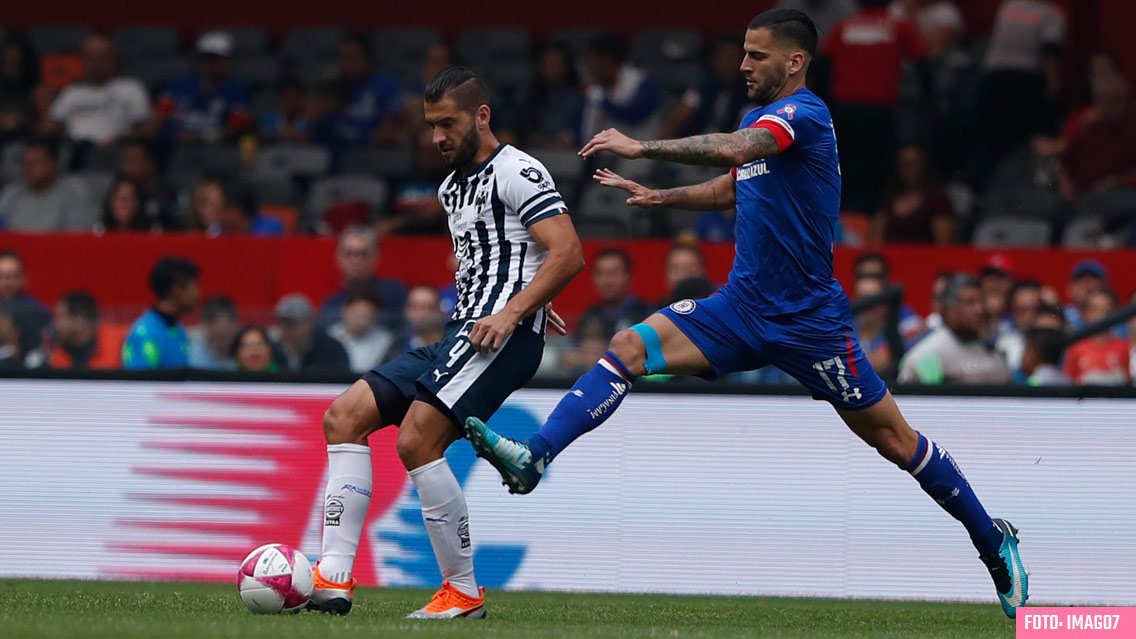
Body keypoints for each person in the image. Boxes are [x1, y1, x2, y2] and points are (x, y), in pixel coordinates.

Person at [463, 11, 1027, 619]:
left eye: (756, 55)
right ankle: (535, 456)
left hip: (810, 322)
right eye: (743, 52)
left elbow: (737, 151)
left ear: (794, 61)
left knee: (895, 440)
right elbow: (736, 182)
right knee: (628, 347)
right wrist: (663, 197)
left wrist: (642, 146)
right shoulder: (756, 121)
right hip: (739, 307)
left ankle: (993, 540)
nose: (742, 64)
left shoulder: (805, 115)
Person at [307, 66, 583, 620]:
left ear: (481, 116)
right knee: (344, 417)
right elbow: (501, 256)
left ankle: (463, 593)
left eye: (447, 123)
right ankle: (331, 579)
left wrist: (517, 311)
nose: (437, 137)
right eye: (431, 125)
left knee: (416, 441)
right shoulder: (451, 186)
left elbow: (569, 251)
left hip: (497, 334)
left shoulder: (518, 170)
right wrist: (525, 297)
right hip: (465, 329)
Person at [820, 0, 930, 214]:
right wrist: (928, 98)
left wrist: (827, 102)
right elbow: (922, 63)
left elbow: (824, 62)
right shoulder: (900, 25)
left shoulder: (845, 25)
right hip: (879, 111)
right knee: (875, 168)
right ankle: (867, 218)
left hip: (844, 111)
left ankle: (844, 220)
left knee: (843, 166)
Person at [898, 274, 1013, 384]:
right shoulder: (924, 357)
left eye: (981, 302)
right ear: (949, 310)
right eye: (970, 303)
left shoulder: (994, 351)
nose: (979, 310)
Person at [45, 34, 151, 145]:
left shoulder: (130, 87)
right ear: (83, 61)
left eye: (102, 58)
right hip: (77, 151)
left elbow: (145, 128)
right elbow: (51, 124)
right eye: (91, 58)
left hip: (118, 148)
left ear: (113, 59)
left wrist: (122, 139)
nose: (97, 64)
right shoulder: (72, 91)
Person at [154, 32, 251, 144]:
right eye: (209, 59)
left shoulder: (238, 90)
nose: (213, 65)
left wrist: (201, 136)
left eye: (219, 60)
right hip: (175, 147)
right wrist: (174, 134)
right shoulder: (178, 85)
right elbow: (159, 119)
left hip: (216, 150)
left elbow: (235, 130)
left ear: (228, 62)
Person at [658, 36, 753, 140]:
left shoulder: (750, 93)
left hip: (728, 148)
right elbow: (674, 121)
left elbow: (743, 135)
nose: (728, 65)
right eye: (723, 58)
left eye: (734, 59)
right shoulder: (702, 87)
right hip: (693, 146)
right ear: (714, 59)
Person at [319, 226, 408, 332]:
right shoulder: (332, 304)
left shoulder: (394, 293)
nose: (356, 260)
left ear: (376, 257)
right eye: (349, 253)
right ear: (339, 259)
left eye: (363, 253)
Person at [0, 137, 97, 231]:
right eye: (25, 162)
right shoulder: (11, 193)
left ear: (53, 164)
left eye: (36, 161)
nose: (28, 167)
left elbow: (77, 237)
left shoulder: (75, 193)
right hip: (14, 247)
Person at [499, 42, 585, 149]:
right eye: (547, 63)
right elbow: (512, 124)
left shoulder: (577, 97)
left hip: (564, 153)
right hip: (528, 149)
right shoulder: (526, 94)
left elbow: (577, 134)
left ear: (565, 66)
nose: (551, 68)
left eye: (555, 64)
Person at [580, 33, 662, 142]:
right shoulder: (596, 89)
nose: (590, 68)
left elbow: (635, 115)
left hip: (643, 151)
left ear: (606, 60)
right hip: (606, 154)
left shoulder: (643, 81)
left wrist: (601, 101)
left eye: (593, 62)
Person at [122, 257, 199, 369]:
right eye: (193, 287)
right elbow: (140, 383)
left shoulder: (178, 329)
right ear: (176, 290)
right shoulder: (146, 335)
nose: (198, 294)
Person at [871, 144, 955, 245]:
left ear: (923, 165)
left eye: (912, 164)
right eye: (902, 164)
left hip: (925, 258)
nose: (908, 169)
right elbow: (876, 241)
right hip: (891, 258)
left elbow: (943, 244)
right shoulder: (889, 199)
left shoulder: (938, 200)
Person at [576, 248, 651, 342]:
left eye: (614, 273)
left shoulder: (645, 313)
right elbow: (571, 350)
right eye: (600, 273)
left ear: (629, 276)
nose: (607, 281)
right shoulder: (590, 315)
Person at [1063, 289, 1130, 386]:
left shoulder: (1123, 347)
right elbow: (1069, 383)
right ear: (1085, 313)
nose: (1100, 315)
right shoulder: (1076, 348)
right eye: (1095, 309)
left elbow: (1127, 383)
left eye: (1106, 310)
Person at [272, 294, 350, 374]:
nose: (286, 329)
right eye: (283, 323)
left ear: (310, 323)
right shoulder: (274, 350)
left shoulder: (332, 350)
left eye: (293, 323)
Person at [328, 286, 398, 373]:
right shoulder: (330, 336)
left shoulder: (388, 341)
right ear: (345, 310)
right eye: (357, 314)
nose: (361, 321)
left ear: (376, 316)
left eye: (366, 316)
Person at [48, 291, 124, 370]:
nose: (54, 324)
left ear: (79, 319)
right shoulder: (55, 357)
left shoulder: (121, 343)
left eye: (59, 317)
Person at [0, 250, 51, 357]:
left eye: (13, 276)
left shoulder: (39, 313)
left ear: (24, 278)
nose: (8, 282)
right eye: (3, 276)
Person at [188, 294, 240, 370]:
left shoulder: (243, 357)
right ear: (206, 326)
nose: (225, 341)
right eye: (220, 335)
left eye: (228, 335)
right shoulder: (192, 357)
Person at [402, 284, 447, 350]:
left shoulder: (451, 344)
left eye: (428, 307)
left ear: (439, 310)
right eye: (414, 306)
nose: (420, 313)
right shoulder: (396, 343)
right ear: (406, 309)